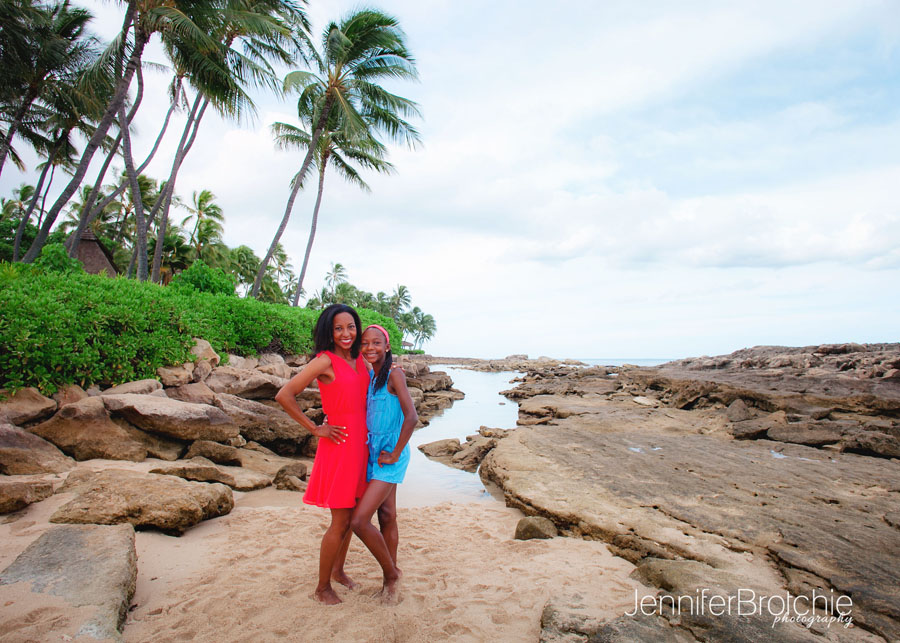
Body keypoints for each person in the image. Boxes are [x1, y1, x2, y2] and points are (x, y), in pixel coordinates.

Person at [274, 304, 370, 605]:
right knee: (340, 521)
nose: (346, 333)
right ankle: (322, 587)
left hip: (362, 446)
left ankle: (339, 571)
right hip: (340, 446)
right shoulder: (324, 361)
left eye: (350, 327)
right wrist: (315, 428)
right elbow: (284, 395)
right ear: (329, 331)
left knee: (352, 516)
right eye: (338, 328)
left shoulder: (359, 358)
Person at [348, 324, 418, 603]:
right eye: (365, 343)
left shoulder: (394, 374)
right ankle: (391, 576)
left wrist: (395, 453)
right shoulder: (371, 376)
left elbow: (411, 417)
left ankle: (392, 575)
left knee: (359, 521)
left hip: (390, 455)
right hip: (373, 453)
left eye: (376, 343)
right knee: (386, 515)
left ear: (387, 347)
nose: (370, 348)